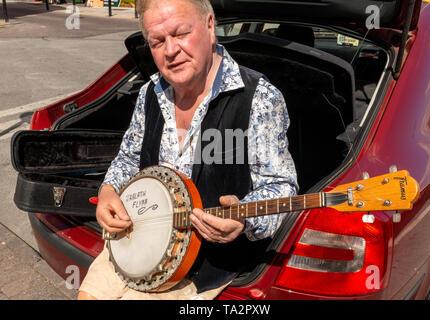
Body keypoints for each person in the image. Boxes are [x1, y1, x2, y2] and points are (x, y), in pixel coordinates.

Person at [77, 0, 298, 300]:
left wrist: (244, 220)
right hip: (134, 242)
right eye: (157, 41)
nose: (170, 51)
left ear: (209, 26)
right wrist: (107, 191)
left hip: (201, 268)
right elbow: (128, 157)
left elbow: (281, 187)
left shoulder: (259, 97)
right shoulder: (150, 93)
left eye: (180, 33)